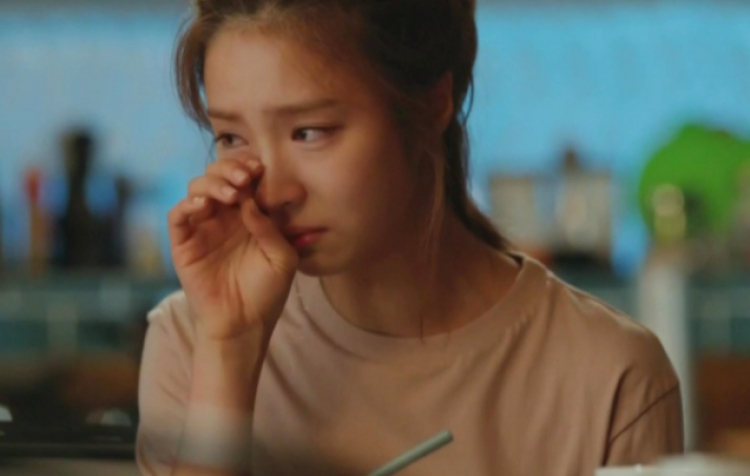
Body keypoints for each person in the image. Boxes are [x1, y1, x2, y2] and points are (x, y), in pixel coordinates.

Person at [136, 0, 684, 475]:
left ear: (431, 103)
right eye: (231, 137)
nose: (272, 191)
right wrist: (229, 352)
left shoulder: (609, 376)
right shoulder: (194, 344)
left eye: (309, 132)